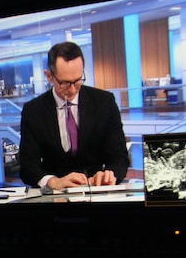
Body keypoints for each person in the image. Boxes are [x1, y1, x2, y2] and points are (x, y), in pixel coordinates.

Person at [18, 41, 129, 189]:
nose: (72, 89)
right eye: (65, 83)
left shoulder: (105, 102)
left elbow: (119, 158)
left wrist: (110, 174)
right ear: (49, 76)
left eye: (77, 81)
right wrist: (52, 181)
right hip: (56, 196)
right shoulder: (33, 111)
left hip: (96, 190)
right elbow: (27, 166)